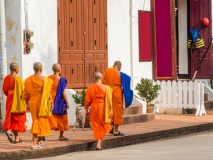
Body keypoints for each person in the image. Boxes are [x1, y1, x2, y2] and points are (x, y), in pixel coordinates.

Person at [22, 62, 53, 150]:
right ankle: (33, 143)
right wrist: (51, 103)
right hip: (43, 102)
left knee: (39, 120)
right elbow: (48, 93)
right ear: (41, 69)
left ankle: (39, 141)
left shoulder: (28, 80)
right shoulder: (46, 80)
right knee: (39, 121)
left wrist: (27, 104)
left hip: (33, 102)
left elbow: (25, 94)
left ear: (34, 69)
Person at [102, 60, 133, 136]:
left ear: (113, 65)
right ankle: (116, 130)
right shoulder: (121, 74)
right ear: (119, 67)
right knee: (117, 111)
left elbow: (103, 82)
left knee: (109, 109)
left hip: (109, 92)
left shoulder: (108, 70)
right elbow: (128, 79)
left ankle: (111, 126)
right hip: (117, 93)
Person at [84, 72, 113, 150]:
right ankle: (99, 144)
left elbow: (87, 101)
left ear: (94, 79)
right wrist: (111, 110)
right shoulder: (106, 88)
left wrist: (86, 111)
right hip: (103, 107)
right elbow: (109, 100)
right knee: (104, 125)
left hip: (94, 107)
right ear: (101, 78)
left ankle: (99, 142)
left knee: (96, 125)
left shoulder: (90, 88)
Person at [2, 62, 27, 143]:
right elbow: (22, 92)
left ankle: (16, 138)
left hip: (9, 98)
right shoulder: (18, 79)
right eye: (18, 67)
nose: (19, 69)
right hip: (18, 100)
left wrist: (10, 94)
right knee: (18, 118)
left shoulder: (6, 78)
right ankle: (10, 132)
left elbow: (5, 90)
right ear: (16, 69)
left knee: (10, 116)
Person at [48, 63, 69, 141]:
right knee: (62, 117)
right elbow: (63, 92)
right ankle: (61, 136)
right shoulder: (62, 80)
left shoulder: (48, 78)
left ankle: (43, 133)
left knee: (49, 116)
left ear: (52, 70)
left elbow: (47, 89)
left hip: (50, 98)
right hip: (60, 99)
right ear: (60, 70)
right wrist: (67, 102)